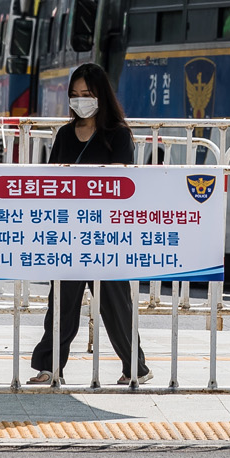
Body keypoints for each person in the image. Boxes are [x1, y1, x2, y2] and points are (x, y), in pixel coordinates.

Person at [30, 63, 151, 384]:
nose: (80, 100)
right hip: (69, 233)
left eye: (86, 94)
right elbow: (53, 180)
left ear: (101, 96)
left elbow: (121, 184)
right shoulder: (65, 134)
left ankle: (135, 368)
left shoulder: (118, 135)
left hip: (105, 235)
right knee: (62, 303)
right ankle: (50, 367)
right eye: (75, 94)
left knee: (116, 304)